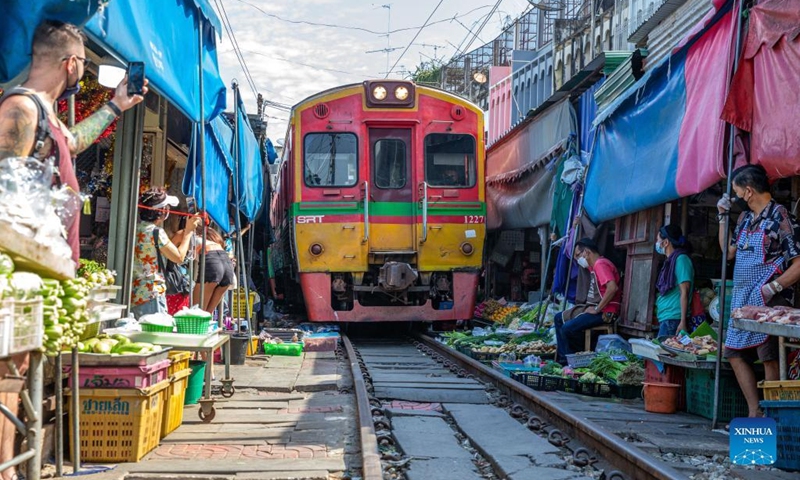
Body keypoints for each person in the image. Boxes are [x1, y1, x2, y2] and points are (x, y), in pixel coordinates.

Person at [0, 20, 146, 265]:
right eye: (84, 63)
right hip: (22, 273)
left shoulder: (44, 113)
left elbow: (72, 142)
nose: (82, 69)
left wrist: (117, 105)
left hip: (45, 269)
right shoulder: (22, 108)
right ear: (70, 64)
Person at [717, 164, 800, 418]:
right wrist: (722, 217)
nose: (736, 198)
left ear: (749, 191)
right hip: (743, 299)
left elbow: (799, 263)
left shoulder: (781, 217)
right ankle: (756, 412)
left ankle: (773, 417)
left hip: (772, 298)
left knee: (769, 357)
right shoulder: (743, 220)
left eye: (736, 192)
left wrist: (773, 287)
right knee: (732, 352)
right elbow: (728, 253)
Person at [131, 188, 200, 318]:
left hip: (134, 292)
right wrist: (188, 232)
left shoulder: (135, 229)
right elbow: (178, 257)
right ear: (162, 211)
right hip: (152, 292)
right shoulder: (156, 232)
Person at [554, 238, 621, 364]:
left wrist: (597, 309)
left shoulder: (600, 264)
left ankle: (574, 361)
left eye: (578, 255)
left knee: (567, 328)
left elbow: (612, 288)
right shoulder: (593, 267)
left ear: (587, 252)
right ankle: (564, 358)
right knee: (558, 318)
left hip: (606, 312)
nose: (577, 260)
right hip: (595, 307)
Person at [654, 224, 694, 337]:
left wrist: (682, 321)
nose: (657, 244)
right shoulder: (670, 261)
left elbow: (684, 292)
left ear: (666, 242)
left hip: (674, 319)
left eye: (658, 240)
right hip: (667, 318)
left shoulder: (681, 260)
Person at [194, 227, 235, 313]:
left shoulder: (191, 235)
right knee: (207, 314)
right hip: (227, 265)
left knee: (197, 312)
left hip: (213, 265)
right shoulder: (217, 243)